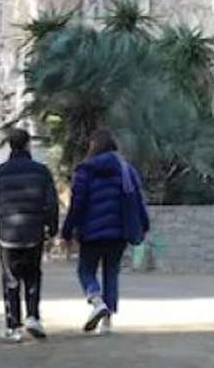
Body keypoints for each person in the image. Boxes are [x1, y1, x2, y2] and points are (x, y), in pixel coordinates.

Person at [62, 129, 151, 336]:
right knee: (111, 272)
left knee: (85, 270)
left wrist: (67, 231)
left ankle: (96, 300)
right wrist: (143, 225)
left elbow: (78, 203)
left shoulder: (85, 170)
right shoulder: (126, 170)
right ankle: (107, 322)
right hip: (118, 232)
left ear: (93, 146)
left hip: (91, 232)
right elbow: (138, 199)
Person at [0, 127, 60, 344]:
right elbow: (51, 204)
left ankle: (13, 326)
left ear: (10, 146)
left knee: (11, 280)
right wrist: (52, 228)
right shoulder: (41, 171)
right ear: (27, 145)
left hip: (7, 234)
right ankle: (33, 316)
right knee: (33, 275)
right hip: (33, 231)